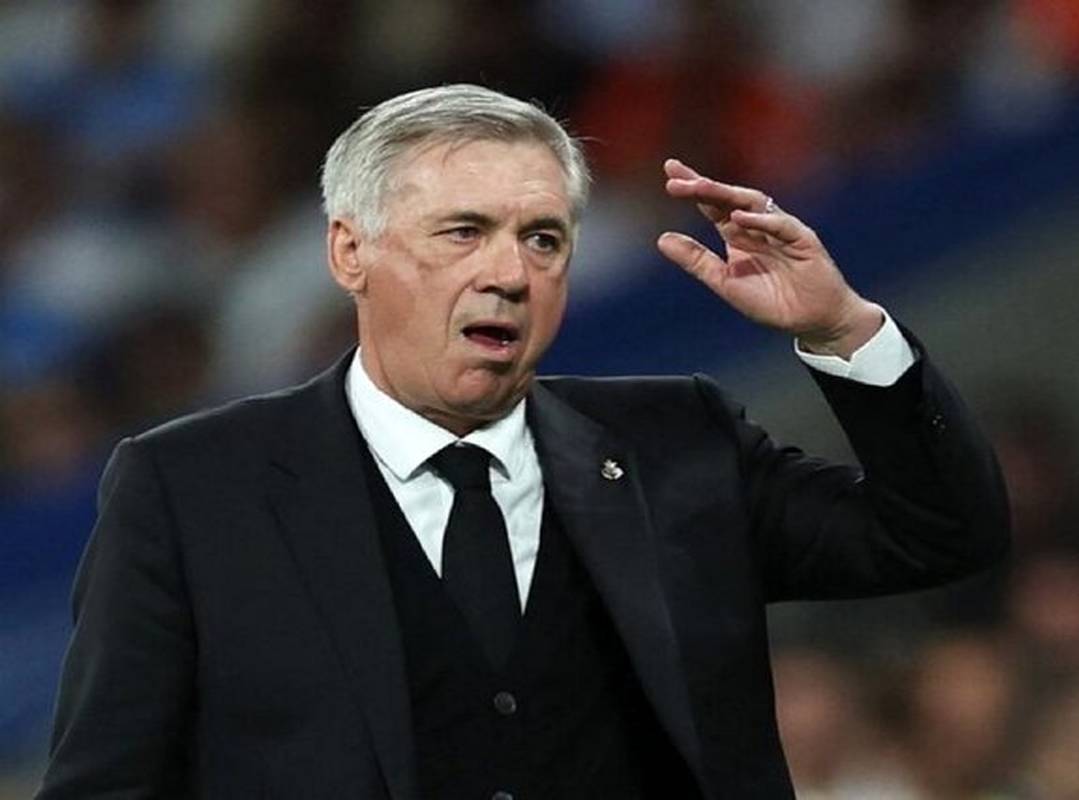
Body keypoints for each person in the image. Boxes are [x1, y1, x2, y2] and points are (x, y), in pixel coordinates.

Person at [37, 84, 1008, 799]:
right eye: (464, 231)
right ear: (349, 251)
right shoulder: (194, 487)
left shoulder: (678, 443)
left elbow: (938, 533)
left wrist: (843, 332)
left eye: (543, 239)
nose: (509, 273)